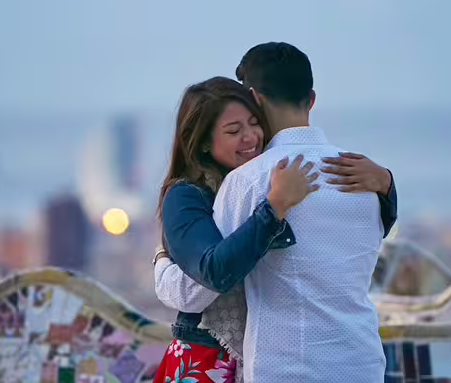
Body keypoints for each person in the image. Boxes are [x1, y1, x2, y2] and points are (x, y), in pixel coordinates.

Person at [153, 74, 397, 382]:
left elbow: (339, 238)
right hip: (207, 361)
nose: (250, 137)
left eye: (254, 123)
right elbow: (203, 279)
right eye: (233, 130)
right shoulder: (188, 195)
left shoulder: (261, 178)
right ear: (202, 142)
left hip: (257, 359)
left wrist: (386, 187)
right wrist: (274, 207)